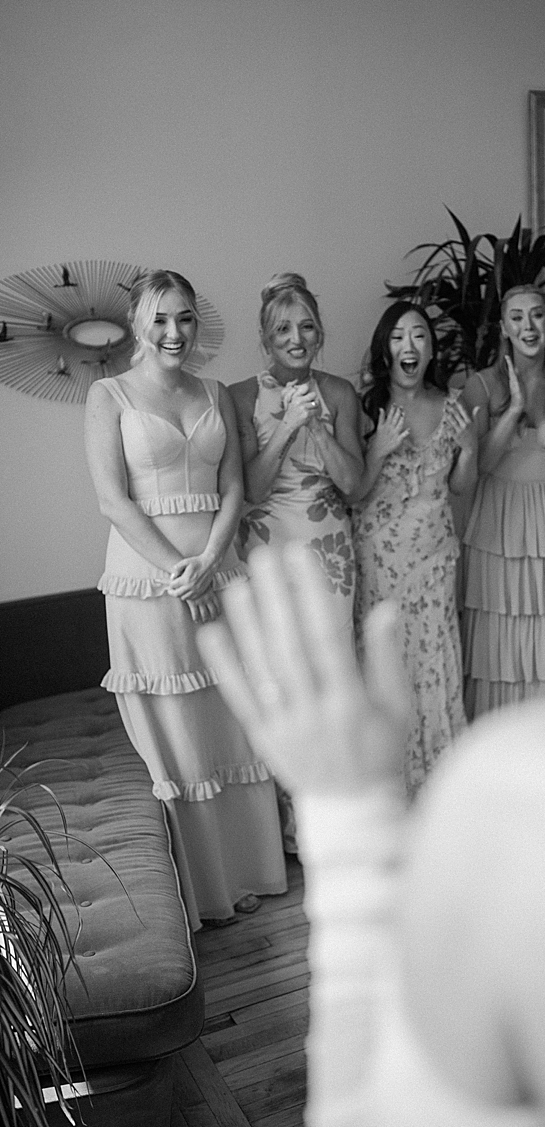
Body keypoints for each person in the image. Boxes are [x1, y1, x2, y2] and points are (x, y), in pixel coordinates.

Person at [197, 247, 545, 1126]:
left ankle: (387, 796)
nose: (413, 346)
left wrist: (350, 839)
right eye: (404, 337)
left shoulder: (517, 779)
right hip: (363, 550)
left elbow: (375, 1099)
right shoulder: (375, 401)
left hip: (439, 549)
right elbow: (369, 483)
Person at [83, 269, 286, 929]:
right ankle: (199, 890)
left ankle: (246, 869)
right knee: (181, 733)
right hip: (149, 582)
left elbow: (235, 489)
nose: (175, 332)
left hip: (220, 573)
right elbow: (114, 499)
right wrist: (179, 571)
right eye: (162, 319)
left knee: (230, 714)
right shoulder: (107, 395)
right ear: (140, 322)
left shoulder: (215, 392)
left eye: (186, 319)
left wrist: (210, 564)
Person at [349, 301, 480, 796]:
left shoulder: (452, 405)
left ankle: (439, 785)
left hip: (434, 559)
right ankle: (389, 785)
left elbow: (462, 486)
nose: (410, 345)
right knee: (386, 665)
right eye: (400, 336)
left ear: (430, 348)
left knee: (434, 664)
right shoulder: (365, 408)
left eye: (419, 336)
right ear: (386, 348)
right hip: (379, 561)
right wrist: (377, 449)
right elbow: (352, 493)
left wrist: (469, 446)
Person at [460, 285, 545, 713]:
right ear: (503, 327)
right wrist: (516, 407)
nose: (528, 326)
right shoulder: (480, 386)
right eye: (517, 317)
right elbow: (479, 464)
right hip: (498, 524)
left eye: (537, 315)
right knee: (500, 636)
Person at [229, 273, 364, 626]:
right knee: (274, 661)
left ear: (319, 334)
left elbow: (351, 484)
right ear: (266, 339)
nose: (296, 339)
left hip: (327, 546)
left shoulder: (339, 393)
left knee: (332, 658)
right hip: (264, 546)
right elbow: (254, 489)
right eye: (283, 329)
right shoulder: (242, 396)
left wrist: (316, 425)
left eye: (306, 327)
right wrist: (288, 423)